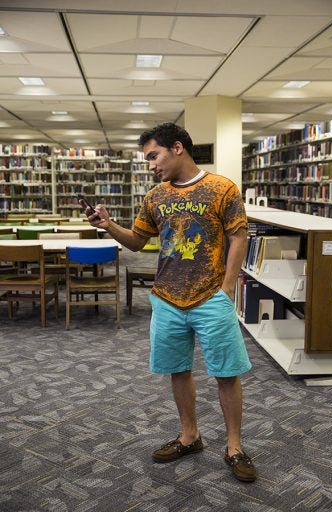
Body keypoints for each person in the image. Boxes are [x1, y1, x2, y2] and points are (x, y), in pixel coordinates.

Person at [82, 122, 256, 482]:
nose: (150, 164)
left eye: (153, 155)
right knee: (178, 369)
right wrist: (108, 225)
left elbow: (239, 237)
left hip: (211, 296)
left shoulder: (222, 188)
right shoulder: (155, 196)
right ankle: (189, 436)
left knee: (226, 372)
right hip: (167, 298)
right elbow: (135, 241)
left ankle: (235, 446)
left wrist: (227, 289)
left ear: (177, 148)